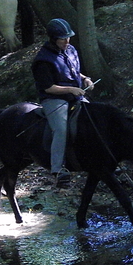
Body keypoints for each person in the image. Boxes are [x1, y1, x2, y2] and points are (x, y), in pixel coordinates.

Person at [32, 18, 95, 188]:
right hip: (54, 99)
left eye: (68, 38)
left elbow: (74, 71)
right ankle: (58, 169)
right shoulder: (43, 60)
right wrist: (70, 90)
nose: (67, 41)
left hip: (75, 95)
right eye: (63, 38)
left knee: (94, 119)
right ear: (53, 39)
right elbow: (48, 88)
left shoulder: (71, 50)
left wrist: (85, 79)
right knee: (61, 129)